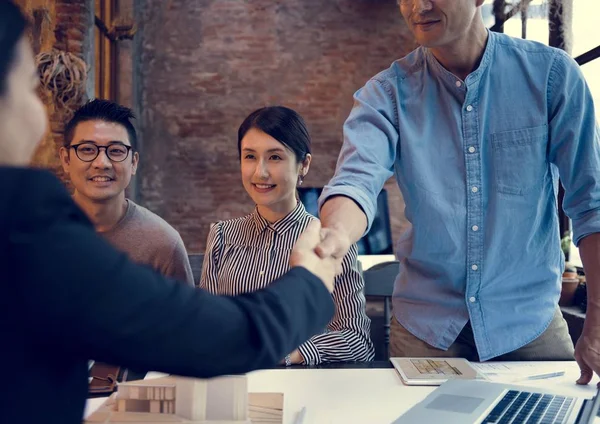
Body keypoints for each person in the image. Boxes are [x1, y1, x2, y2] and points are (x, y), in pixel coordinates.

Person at [0, 2, 337, 423]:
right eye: (29, 87)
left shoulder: (156, 239)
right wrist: (310, 280)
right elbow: (220, 335)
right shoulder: (28, 224)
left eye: (115, 151)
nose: (39, 110)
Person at [316, 0, 600, 383]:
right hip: (426, 330)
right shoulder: (385, 95)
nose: (419, 6)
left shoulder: (551, 76)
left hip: (528, 323)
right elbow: (355, 180)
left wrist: (596, 316)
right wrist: (334, 235)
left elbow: (591, 202)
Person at [201, 106, 374, 365]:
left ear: (304, 164)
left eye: (275, 157)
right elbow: (208, 326)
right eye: (250, 157)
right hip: (235, 385)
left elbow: (358, 341)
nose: (260, 172)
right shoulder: (222, 235)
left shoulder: (329, 240)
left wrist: (287, 354)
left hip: (302, 388)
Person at [59, 99, 194, 286]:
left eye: (116, 151)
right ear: (66, 160)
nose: (102, 163)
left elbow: (181, 315)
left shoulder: (163, 244)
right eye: (87, 150)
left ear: (134, 163)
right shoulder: (33, 233)